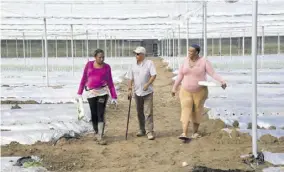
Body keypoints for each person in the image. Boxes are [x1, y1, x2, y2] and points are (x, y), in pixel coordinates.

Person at [171, 44, 227, 140]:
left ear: (197, 52)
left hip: (200, 91)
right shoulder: (185, 61)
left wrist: (222, 81)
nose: (189, 53)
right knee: (186, 109)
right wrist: (174, 87)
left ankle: (195, 132)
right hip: (185, 90)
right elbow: (180, 74)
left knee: (197, 110)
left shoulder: (204, 61)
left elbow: (212, 73)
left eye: (191, 51)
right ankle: (184, 133)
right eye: (188, 51)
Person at [77, 49, 117, 145]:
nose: (102, 59)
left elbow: (110, 82)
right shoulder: (89, 65)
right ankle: (96, 131)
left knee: (100, 113)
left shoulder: (107, 67)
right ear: (95, 57)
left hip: (102, 92)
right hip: (91, 93)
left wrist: (114, 96)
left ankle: (100, 135)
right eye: (100, 57)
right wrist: (79, 92)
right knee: (94, 113)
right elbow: (84, 78)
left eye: (103, 57)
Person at [126, 46, 157, 140]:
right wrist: (129, 89)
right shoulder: (132, 64)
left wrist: (147, 84)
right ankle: (141, 129)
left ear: (143, 55)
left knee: (148, 112)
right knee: (139, 112)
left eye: (138, 54)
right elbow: (130, 77)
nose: (136, 55)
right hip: (137, 92)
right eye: (136, 54)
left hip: (147, 92)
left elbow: (153, 75)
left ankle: (149, 131)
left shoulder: (149, 63)